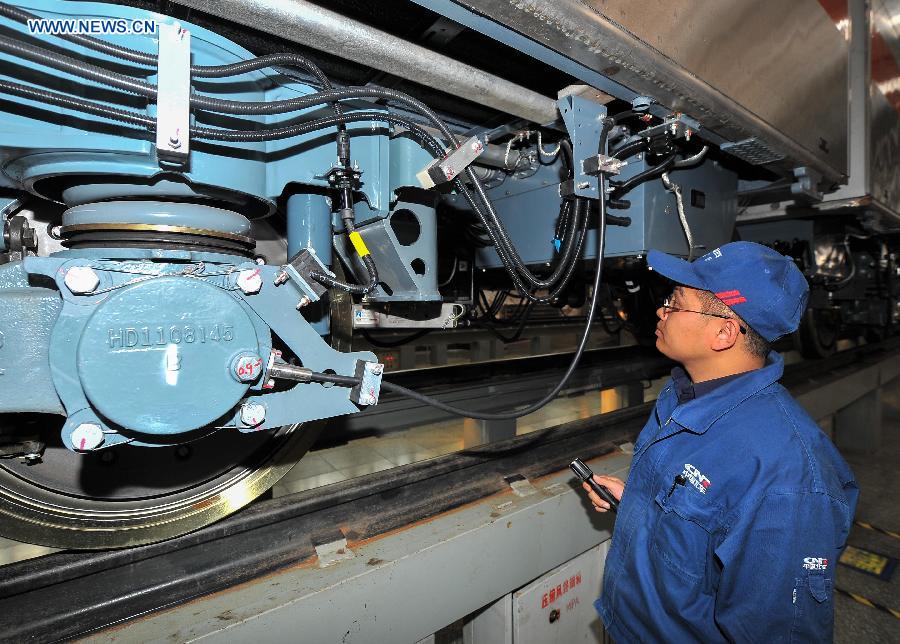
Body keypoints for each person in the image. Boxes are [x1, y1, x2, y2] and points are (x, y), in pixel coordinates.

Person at [583, 241, 858, 642]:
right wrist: (636, 504)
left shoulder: (789, 480)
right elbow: (706, 522)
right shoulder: (684, 397)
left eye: (676, 302)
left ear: (724, 332)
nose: (662, 310)